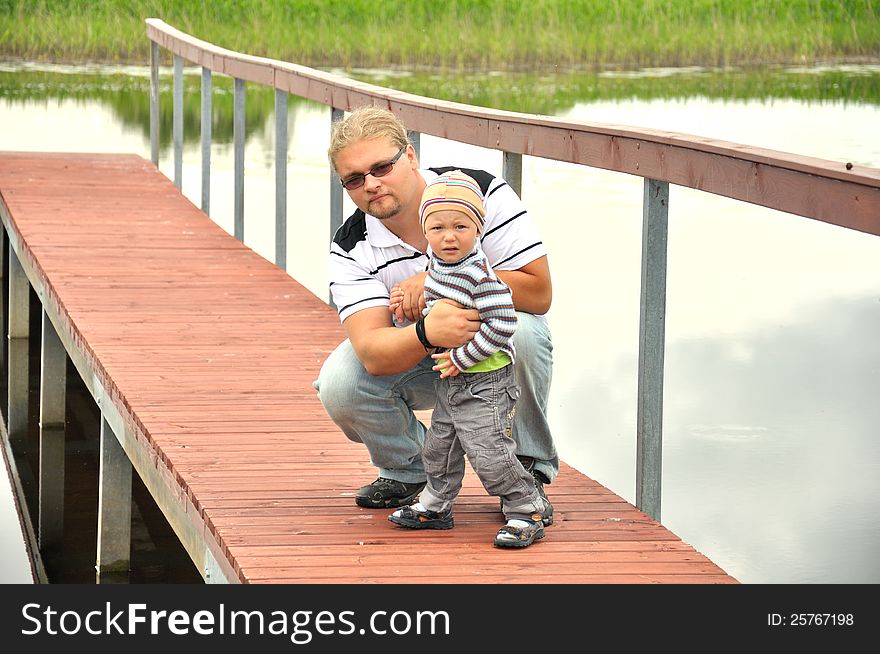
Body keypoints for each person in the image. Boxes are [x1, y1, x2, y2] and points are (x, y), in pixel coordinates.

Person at [314, 105, 557, 523]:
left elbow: (537, 291)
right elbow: (373, 350)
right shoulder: (350, 245)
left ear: (410, 156)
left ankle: (526, 469)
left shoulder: (481, 192)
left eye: (381, 167)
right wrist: (427, 331)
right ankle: (411, 470)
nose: (371, 184)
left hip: (490, 343)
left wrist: (438, 281)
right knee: (340, 384)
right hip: (421, 353)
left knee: (526, 332)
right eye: (354, 179)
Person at [387, 170, 548, 547]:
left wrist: (463, 356)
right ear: (425, 232)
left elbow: (504, 323)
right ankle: (436, 503)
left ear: (478, 229)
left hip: (485, 377)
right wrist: (407, 308)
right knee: (440, 445)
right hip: (452, 377)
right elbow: (439, 299)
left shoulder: (480, 275)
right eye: (438, 227)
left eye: (461, 226)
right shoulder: (440, 266)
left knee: (489, 449)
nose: (448, 236)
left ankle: (526, 508)